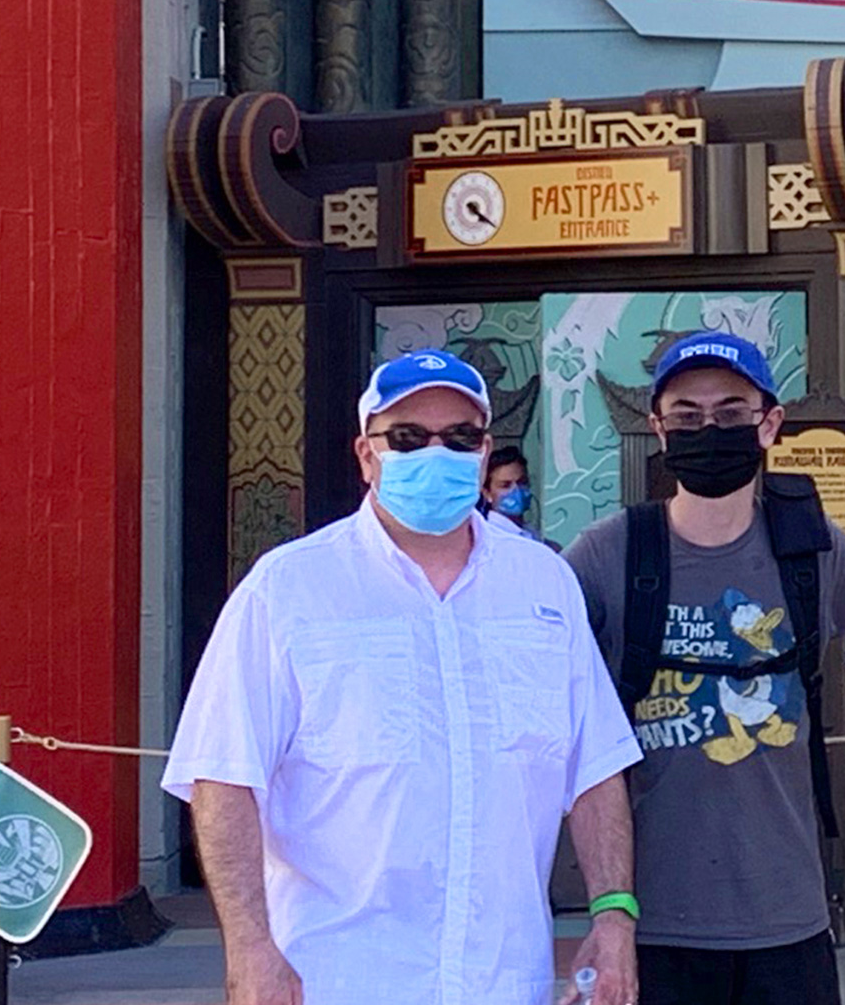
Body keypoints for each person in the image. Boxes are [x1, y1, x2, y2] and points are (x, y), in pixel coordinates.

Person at [164, 349, 642, 1005]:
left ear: (485, 452)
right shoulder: (288, 589)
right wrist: (249, 949)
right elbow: (223, 777)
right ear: (366, 455)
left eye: (460, 437)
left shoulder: (544, 583)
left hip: (503, 979)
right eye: (408, 438)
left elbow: (596, 769)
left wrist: (613, 916)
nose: (435, 453)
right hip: (336, 979)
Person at [566, 331, 845, 1005]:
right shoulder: (609, 555)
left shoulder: (811, 550)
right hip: (655, 921)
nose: (708, 429)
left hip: (789, 919)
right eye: (687, 416)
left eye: (730, 412)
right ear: (658, 429)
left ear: (768, 424)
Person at [483, 442, 557, 548]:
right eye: (505, 485)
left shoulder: (534, 534)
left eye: (522, 482)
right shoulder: (488, 538)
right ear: (487, 493)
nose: (516, 490)